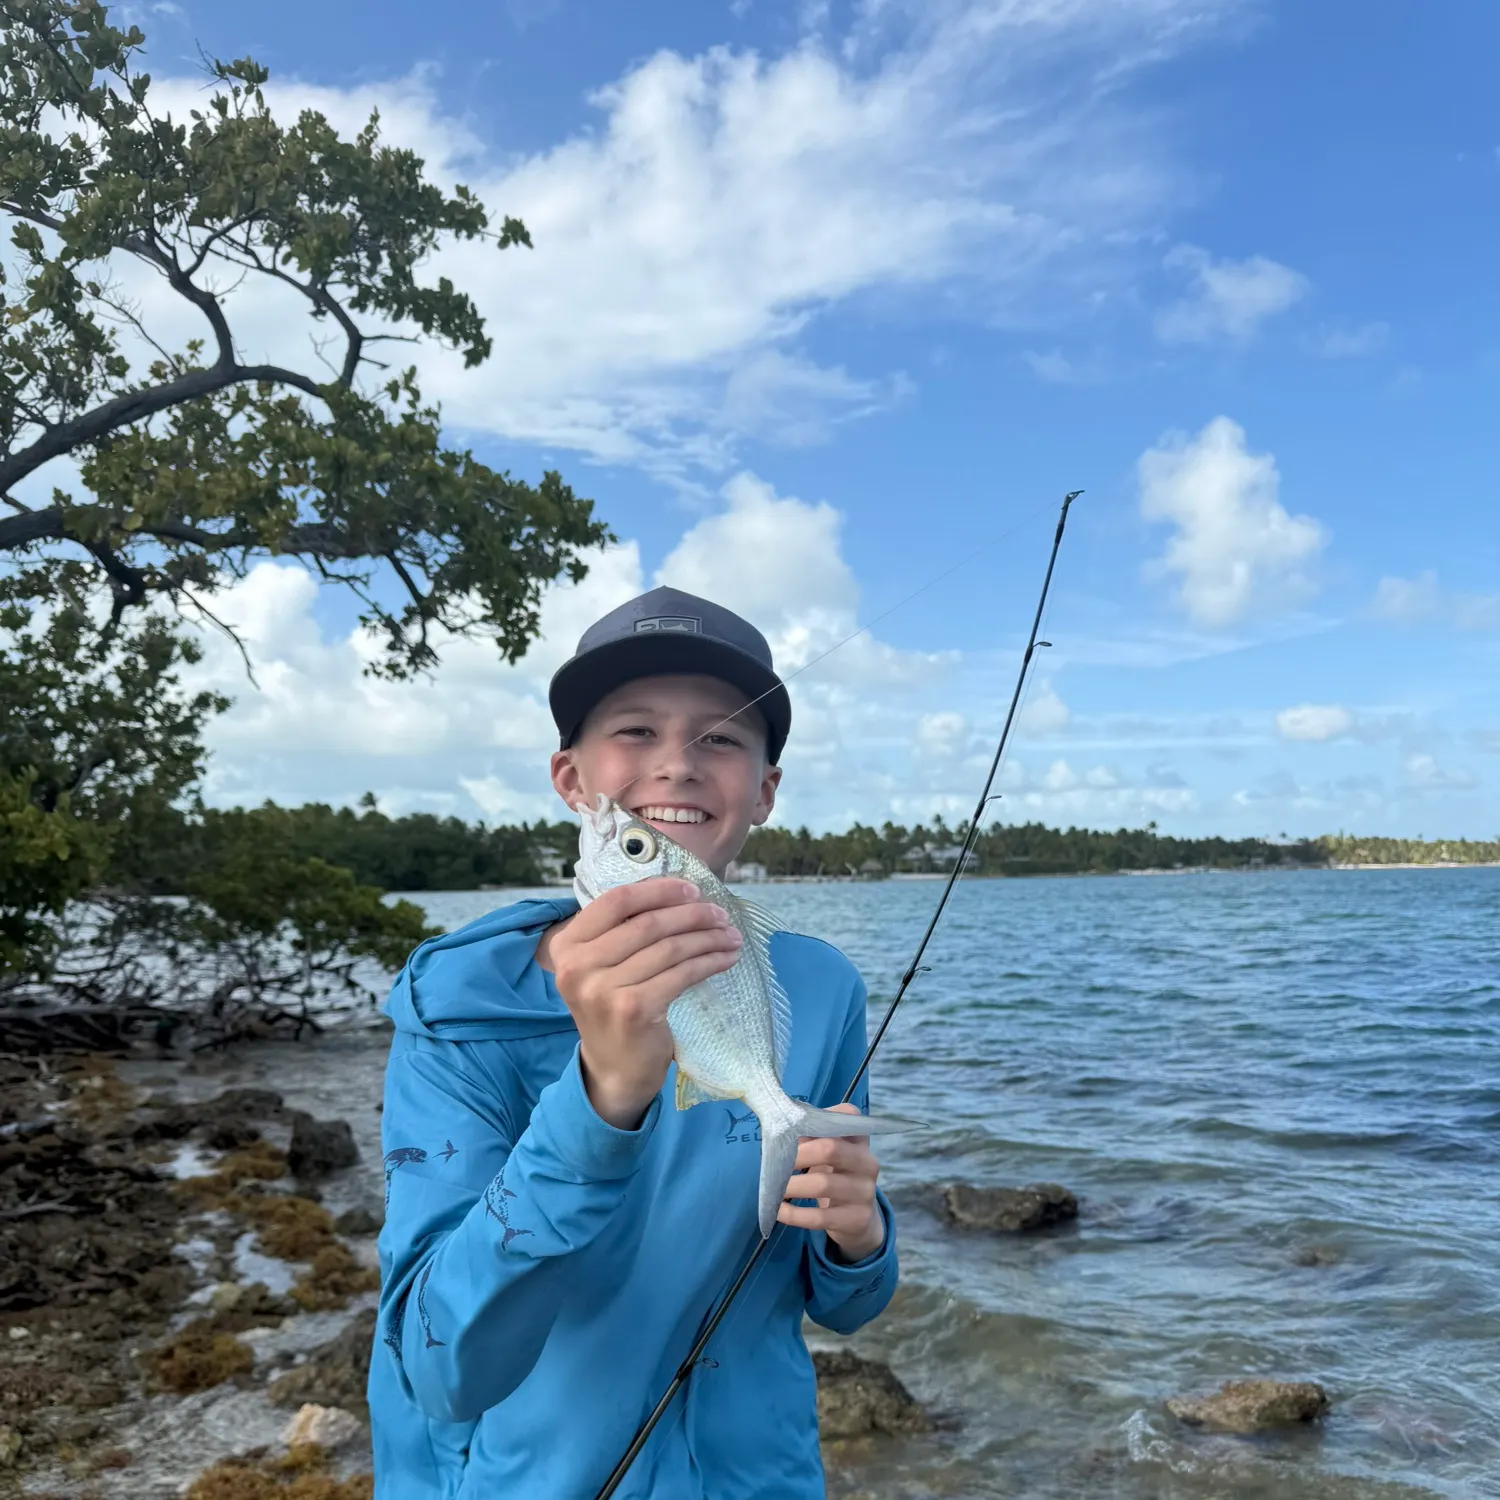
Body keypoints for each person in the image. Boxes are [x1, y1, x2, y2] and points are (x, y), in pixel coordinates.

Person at [368, 585, 899, 1499]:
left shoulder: (819, 991)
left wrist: (859, 1238)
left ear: (764, 792)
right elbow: (439, 1368)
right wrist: (601, 1098)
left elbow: (839, 1302)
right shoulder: (457, 1011)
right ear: (572, 779)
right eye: (635, 731)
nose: (680, 766)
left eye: (722, 738)